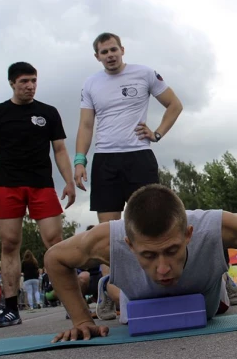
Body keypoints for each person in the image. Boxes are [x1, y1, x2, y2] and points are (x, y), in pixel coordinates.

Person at [45, 184, 237, 342]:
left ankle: (221, 276)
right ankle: (108, 286)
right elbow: (54, 259)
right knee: (119, 294)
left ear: (188, 234)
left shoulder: (212, 227)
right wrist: (81, 320)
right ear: (129, 245)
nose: (163, 268)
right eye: (149, 255)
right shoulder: (106, 240)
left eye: (172, 250)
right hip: (139, 296)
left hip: (206, 292)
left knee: (219, 303)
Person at [0, 62, 75, 329]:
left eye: (33, 80)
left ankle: (72, 303)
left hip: (42, 185)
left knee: (55, 241)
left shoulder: (48, 112)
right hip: (8, 186)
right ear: (12, 83)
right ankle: (10, 310)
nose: (30, 86)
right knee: (9, 244)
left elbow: (60, 151)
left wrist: (68, 182)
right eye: (24, 82)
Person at [74, 32, 183, 224]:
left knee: (148, 222)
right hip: (105, 159)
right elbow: (86, 125)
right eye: (104, 51)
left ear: (122, 50)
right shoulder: (90, 83)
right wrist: (79, 161)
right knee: (109, 228)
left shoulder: (145, 73)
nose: (110, 55)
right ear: (97, 56)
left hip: (139, 156)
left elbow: (174, 105)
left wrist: (157, 134)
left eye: (114, 49)